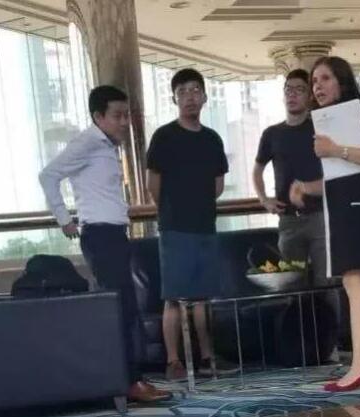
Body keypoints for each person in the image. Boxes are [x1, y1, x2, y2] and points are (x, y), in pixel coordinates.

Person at [39, 85, 171, 402]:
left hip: (113, 235)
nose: (124, 122)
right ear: (98, 116)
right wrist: (64, 219)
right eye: (117, 116)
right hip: (100, 236)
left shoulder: (106, 145)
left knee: (126, 307)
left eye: (126, 115)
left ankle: (132, 380)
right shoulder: (86, 142)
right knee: (120, 309)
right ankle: (128, 383)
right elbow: (48, 175)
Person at [289, 56, 360, 392]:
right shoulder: (332, 119)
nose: (317, 86)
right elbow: (340, 176)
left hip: (355, 206)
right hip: (346, 203)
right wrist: (307, 187)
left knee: (353, 280)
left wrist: (336, 149)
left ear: (342, 81)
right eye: (314, 81)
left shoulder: (357, 111)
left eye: (325, 78)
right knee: (359, 282)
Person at [146, 69, 235, 381]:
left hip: (205, 226)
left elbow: (218, 185)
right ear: (174, 99)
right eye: (182, 91)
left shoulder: (212, 139)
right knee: (173, 297)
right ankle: (174, 362)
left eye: (195, 90)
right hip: (174, 228)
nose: (189, 97)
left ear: (205, 97)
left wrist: (198, 205)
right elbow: (153, 184)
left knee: (203, 296)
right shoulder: (163, 137)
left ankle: (208, 358)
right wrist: (174, 209)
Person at [252, 68, 340, 363]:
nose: (292, 94)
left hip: (320, 218)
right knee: (294, 285)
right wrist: (264, 199)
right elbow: (257, 170)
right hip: (288, 222)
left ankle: (331, 346)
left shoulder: (320, 129)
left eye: (299, 89)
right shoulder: (272, 134)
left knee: (328, 283)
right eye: (288, 89)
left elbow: (336, 171)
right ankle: (302, 348)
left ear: (309, 96)